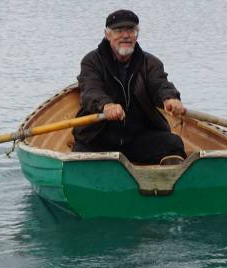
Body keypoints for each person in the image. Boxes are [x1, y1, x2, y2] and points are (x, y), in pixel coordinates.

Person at [72, 9, 188, 165]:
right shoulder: (92, 61)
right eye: (119, 31)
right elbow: (91, 91)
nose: (126, 36)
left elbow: (160, 84)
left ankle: (168, 178)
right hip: (98, 138)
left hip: (137, 137)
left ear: (137, 34)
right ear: (108, 35)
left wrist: (170, 99)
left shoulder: (150, 63)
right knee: (80, 157)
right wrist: (106, 105)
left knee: (174, 144)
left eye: (131, 30)